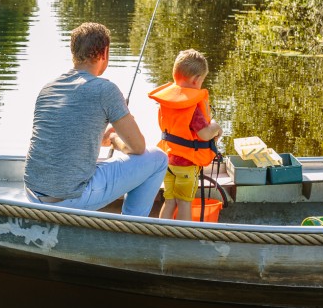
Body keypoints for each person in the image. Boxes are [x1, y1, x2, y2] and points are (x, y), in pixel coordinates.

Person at [24, 22, 168, 217]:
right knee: (158, 158)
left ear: (73, 52)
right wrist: (115, 141)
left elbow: (62, 139)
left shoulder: (48, 89)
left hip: (33, 194)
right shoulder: (105, 89)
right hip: (69, 199)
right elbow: (138, 147)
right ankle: (133, 226)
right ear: (105, 53)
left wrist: (101, 138)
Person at [148, 49, 223, 221]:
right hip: (187, 166)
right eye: (202, 80)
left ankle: (162, 232)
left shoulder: (167, 101)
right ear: (196, 80)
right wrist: (216, 127)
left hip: (169, 161)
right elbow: (204, 134)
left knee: (169, 201)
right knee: (184, 203)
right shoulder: (192, 106)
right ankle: (184, 236)